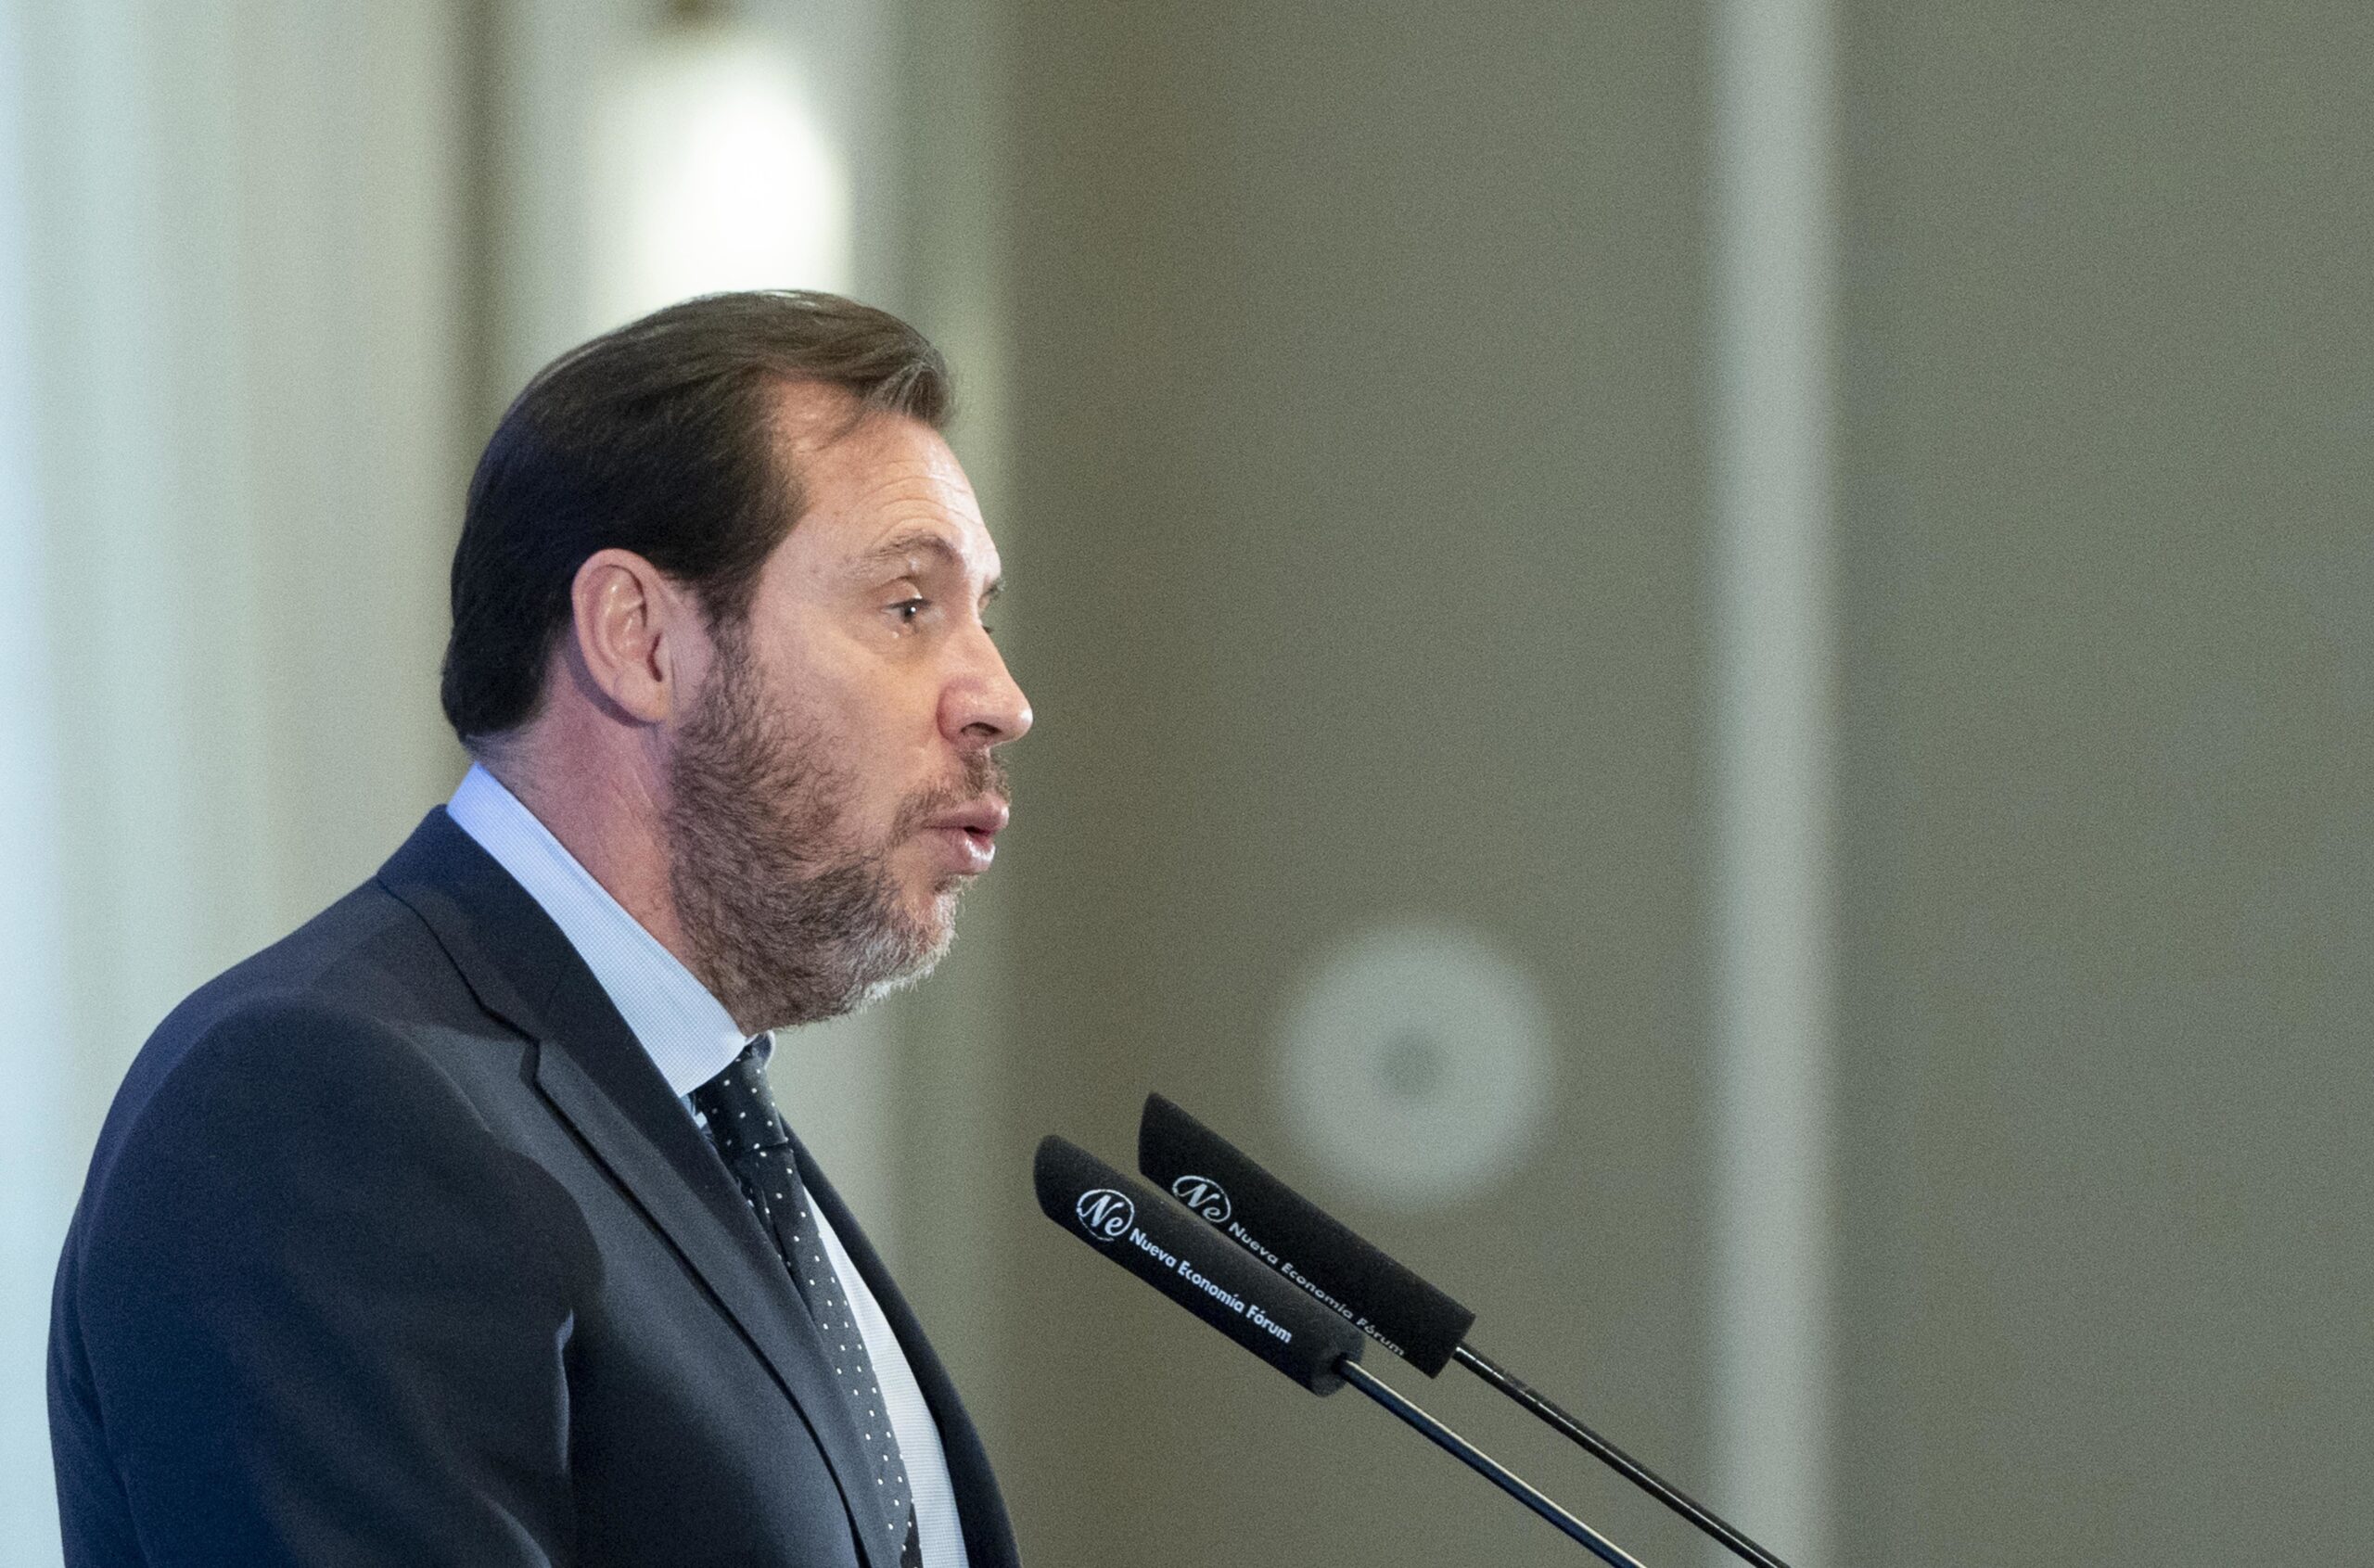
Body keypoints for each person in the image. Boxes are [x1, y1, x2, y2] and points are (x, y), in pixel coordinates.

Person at [47, 291, 1030, 1567]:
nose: (1000, 698)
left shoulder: (700, 1116)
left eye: (982, 615)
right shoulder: (322, 1105)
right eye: (907, 607)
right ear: (639, 639)